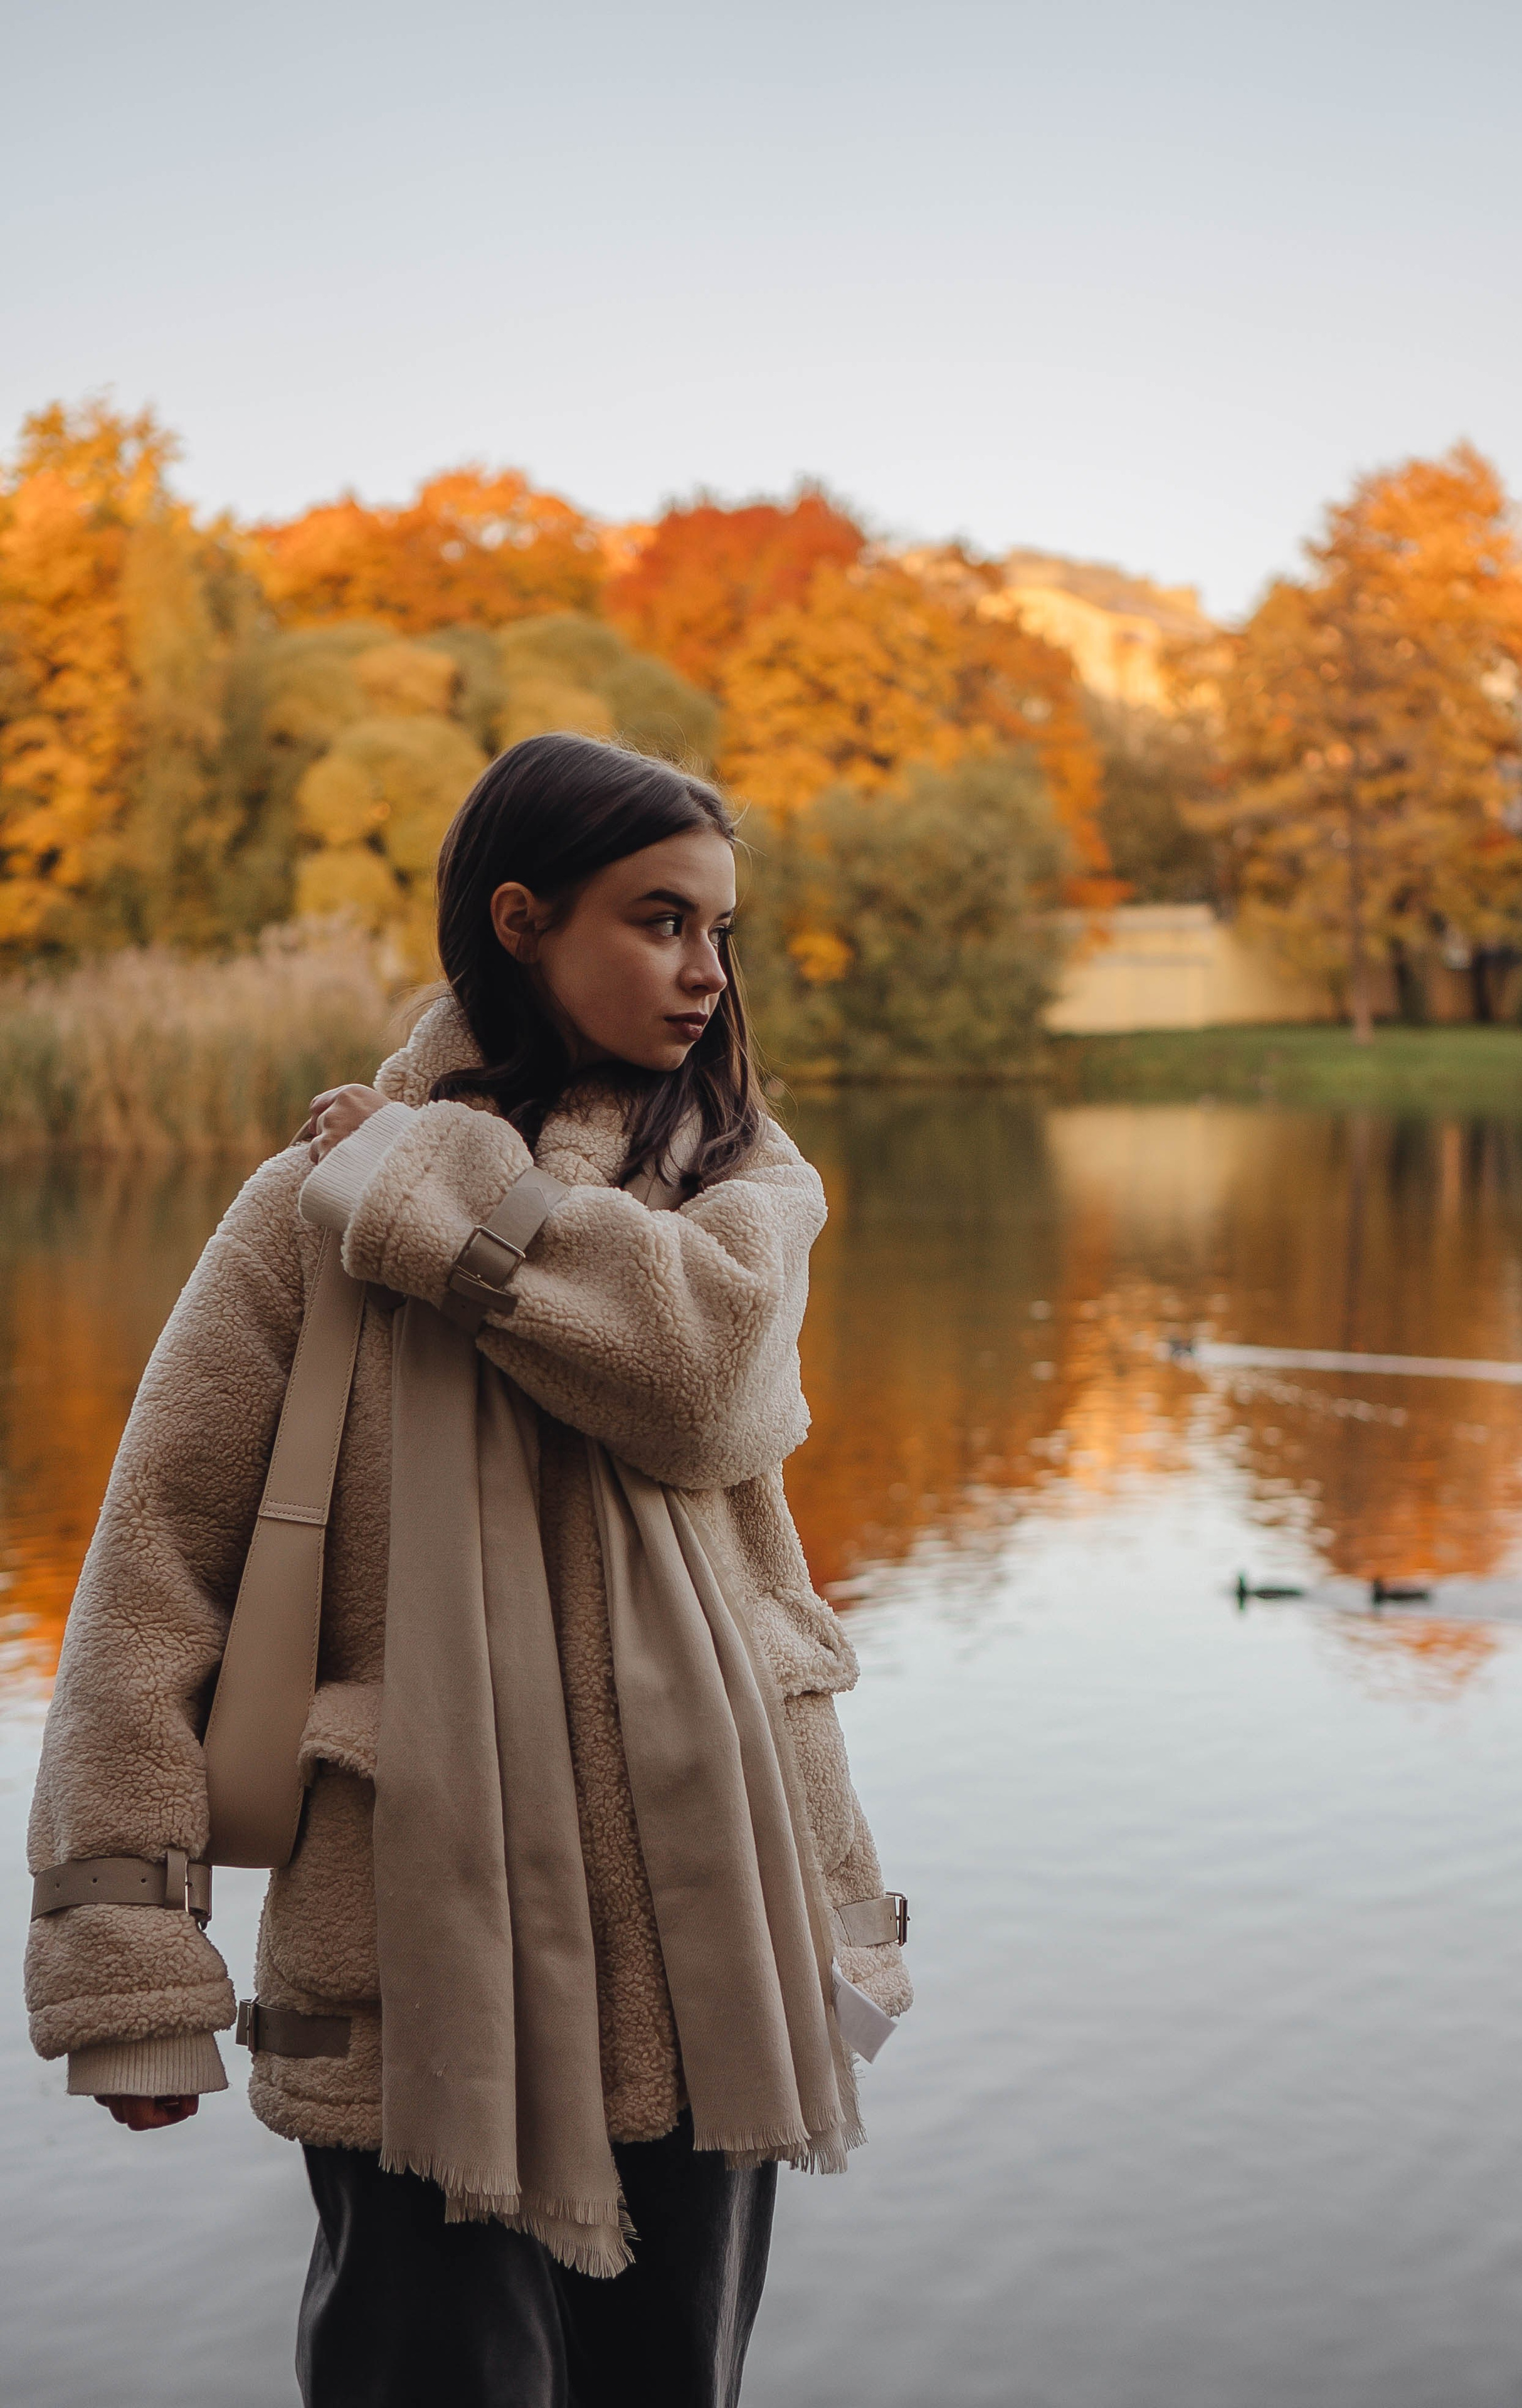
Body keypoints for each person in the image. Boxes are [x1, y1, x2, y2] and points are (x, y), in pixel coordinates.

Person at [24, 733, 911, 2408]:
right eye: (661, 922)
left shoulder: (741, 1187)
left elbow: (704, 1385)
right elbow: (155, 1572)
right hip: (414, 1962)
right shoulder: (306, 1216)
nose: (708, 976)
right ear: (521, 920)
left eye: (723, 931)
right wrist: (131, 1970)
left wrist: (424, 1175)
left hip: (711, 1947)